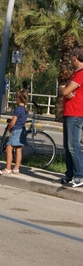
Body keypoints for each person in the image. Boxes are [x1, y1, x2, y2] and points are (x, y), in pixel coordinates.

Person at [58, 45, 83, 187]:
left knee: (73, 145)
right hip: (69, 113)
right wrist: (64, 89)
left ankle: (79, 175)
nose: (71, 59)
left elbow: (65, 90)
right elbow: (63, 88)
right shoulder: (75, 73)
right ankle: (70, 174)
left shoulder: (81, 73)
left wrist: (65, 89)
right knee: (68, 146)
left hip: (75, 114)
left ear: (76, 57)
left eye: (72, 56)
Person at [0, 89, 29, 175]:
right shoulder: (26, 110)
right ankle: (16, 168)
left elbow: (13, 121)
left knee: (9, 148)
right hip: (22, 129)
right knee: (18, 149)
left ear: (18, 99)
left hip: (16, 130)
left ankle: (8, 168)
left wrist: (9, 128)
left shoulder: (18, 109)